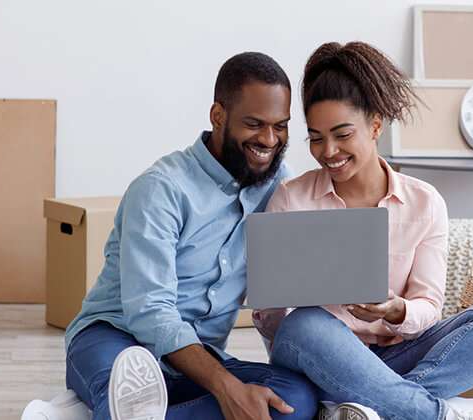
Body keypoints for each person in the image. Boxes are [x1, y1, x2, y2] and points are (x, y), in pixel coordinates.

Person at [253, 41, 473, 420]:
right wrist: (304, 339)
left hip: (398, 355)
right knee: (304, 324)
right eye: (317, 138)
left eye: (342, 134)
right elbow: (270, 313)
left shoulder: (424, 202)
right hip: (318, 357)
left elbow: (428, 305)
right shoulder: (291, 199)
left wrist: (395, 310)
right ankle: (438, 414)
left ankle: (364, 406)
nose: (329, 151)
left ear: (375, 125)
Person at [64, 51, 318, 420]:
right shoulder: (161, 189)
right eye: (254, 123)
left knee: (295, 399)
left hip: (198, 357)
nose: (269, 139)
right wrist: (226, 387)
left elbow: (293, 279)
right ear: (218, 116)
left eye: (281, 126)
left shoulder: (279, 184)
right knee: (124, 394)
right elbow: (150, 312)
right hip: (115, 338)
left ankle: (148, 413)